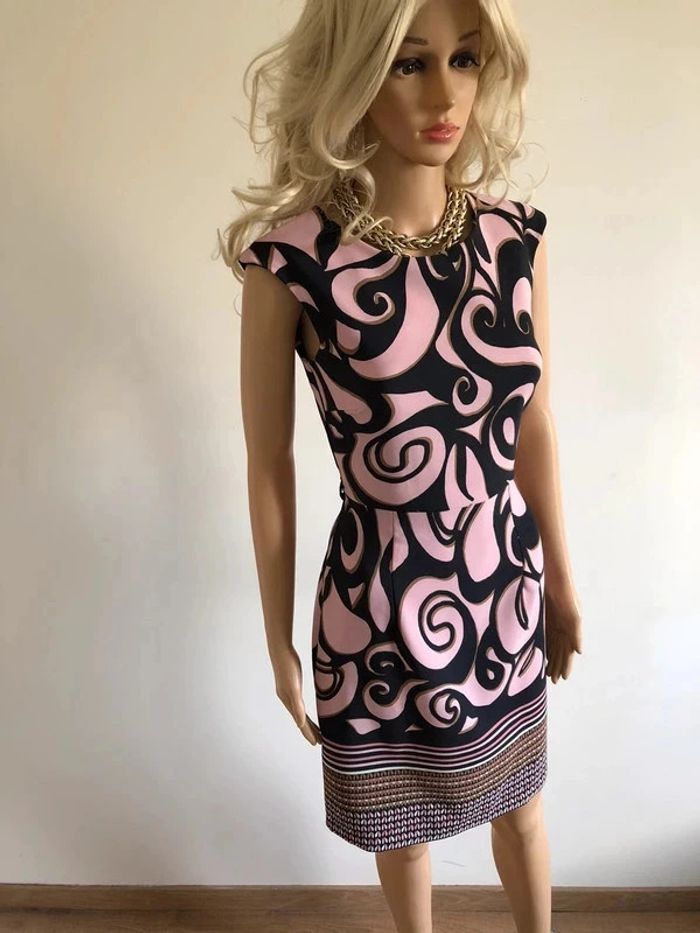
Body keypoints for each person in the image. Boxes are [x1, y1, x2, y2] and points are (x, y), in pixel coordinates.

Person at [217, 1, 583, 931]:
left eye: (466, 60)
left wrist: (562, 579)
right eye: (409, 64)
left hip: (504, 585)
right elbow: (268, 463)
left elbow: (533, 421)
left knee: (524, 809)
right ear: (352, 72)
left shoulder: (515, 240)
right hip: (377, 604)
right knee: (404, 832)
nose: (446, 95)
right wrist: (276, 639)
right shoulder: (294, 263)